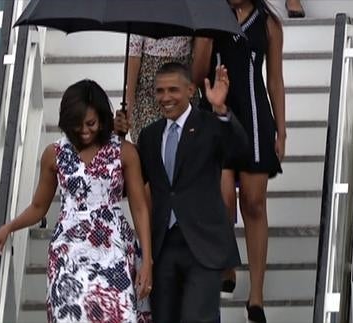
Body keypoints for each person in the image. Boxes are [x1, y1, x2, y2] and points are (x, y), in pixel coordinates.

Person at [0, 80, 153, 322]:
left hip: (114, 249)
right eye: (76, 125)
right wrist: (8, 227)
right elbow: (39, 207)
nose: (84, 131)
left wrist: (147, 262)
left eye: (91, 123)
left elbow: (140, 209)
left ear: (103, 118)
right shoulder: (54, 154)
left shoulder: (125, 151)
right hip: (68, 254)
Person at [116, 62, 249, 322]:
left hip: (203, 245)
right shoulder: (150, 136)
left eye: (173, 90)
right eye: (160, 91)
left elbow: (240, 149)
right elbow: (127, 184)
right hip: (162, 248)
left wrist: (221, 110)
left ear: (190, 90)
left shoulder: (211, 125)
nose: (165, 98)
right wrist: (117, 140)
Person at [192, 0, 286, 322]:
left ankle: (256, 296)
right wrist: (204, 38)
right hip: (217, 112)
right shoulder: (211, 16)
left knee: (255, 202)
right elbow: (195, 75)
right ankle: (227, 261)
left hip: (256, 117)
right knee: (221, 199)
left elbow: (274, 79)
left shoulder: (269, 23)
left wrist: (281, 130)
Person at [126, 35, 195, 143]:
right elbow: (134, 55)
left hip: (180, 88)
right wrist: (129, 103)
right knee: (150, 143)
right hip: (148, 94)